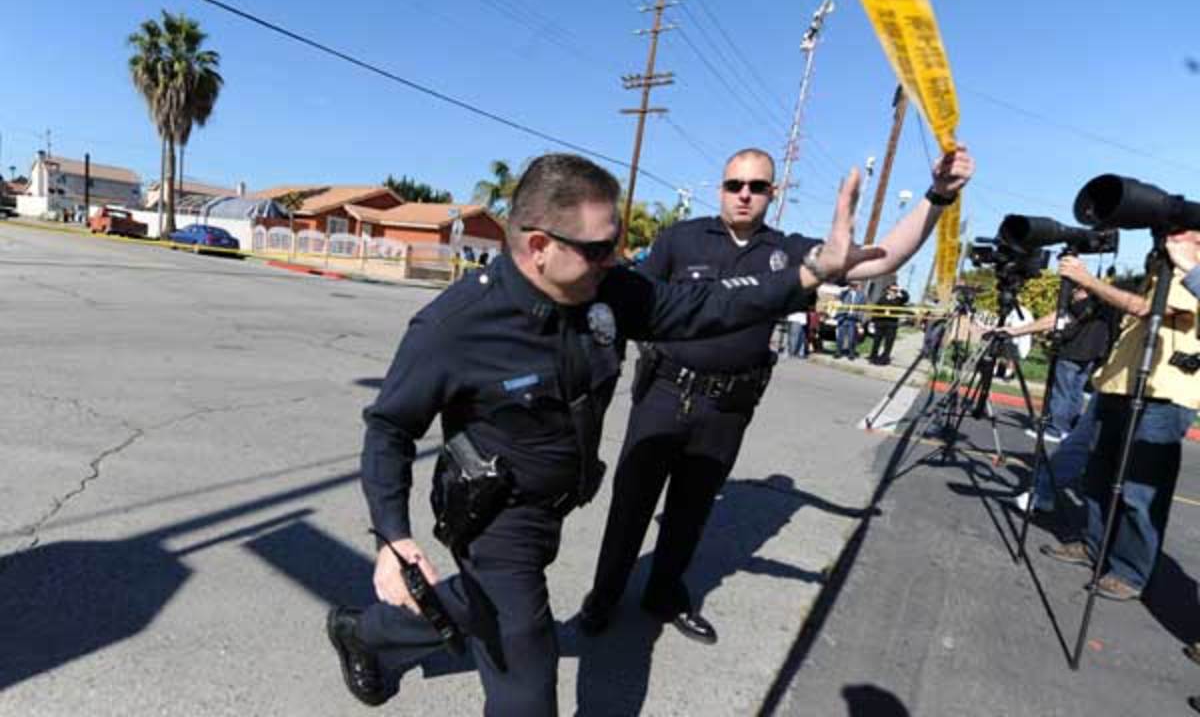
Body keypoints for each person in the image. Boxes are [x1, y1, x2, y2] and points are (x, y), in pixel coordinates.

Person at [325, 152, 879, 714]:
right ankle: (379, 635)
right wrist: (392, 539)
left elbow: (705, 305)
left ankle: (368, 635)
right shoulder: (457, 325)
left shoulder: (606, 290)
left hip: (555, 501)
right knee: (527, 684)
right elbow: (389, 427)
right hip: (496, 518)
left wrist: (811, 272)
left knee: (480, 604)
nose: (614, 258)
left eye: (613, 243)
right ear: (539, 248)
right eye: (597, 249)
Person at [578, 145, 974, 644]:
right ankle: (604, 596)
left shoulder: (788, 251)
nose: (744, 195)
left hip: (726, 407)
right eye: (734, 185)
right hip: (663, 392)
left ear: (774, 192)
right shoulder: (679, 238)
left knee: (690, 512)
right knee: (630, 506)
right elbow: (637, 303)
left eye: (757, 187)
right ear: (720, 188)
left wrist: (937, 196)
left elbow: (881, 258)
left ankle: (663, 594)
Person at [1041, 232, 1200, 601]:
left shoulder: (1188, 274)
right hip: (1117, 387)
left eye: (1178, 230)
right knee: (1097, 477)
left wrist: (1089, 281)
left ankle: (1130, 572)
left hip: (1162, 395)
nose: (1164, 237)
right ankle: (1093, 545)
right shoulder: (1157, 273)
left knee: (1139, 492)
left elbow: (1150, 310)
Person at [998, 273, 1120, 512]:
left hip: (1074, 353)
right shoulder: (1106, 306)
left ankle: (1056, 428)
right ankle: (1064, 431)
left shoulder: (1088, 303)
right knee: (1073, 396)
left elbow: (1057, 318)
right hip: (1095, 357)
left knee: (1062, 393)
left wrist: (1018, 331)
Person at [868, 283, 910, 365]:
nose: (894, 292)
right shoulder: (882, 299)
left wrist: (900, 289)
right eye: (892, 290)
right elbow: (875, 310)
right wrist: (873, 321)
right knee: (876, 341)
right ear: (888, 290)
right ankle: (873, 357)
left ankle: (884, 359)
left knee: (889, 343)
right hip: (880, 323)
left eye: (896, 290)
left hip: (892, 324)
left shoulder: (899, 300)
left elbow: (906, 297)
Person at [834, 281, 866, 359]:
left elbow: (861, 309)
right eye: (852, 285)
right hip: (843, 317)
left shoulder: (861, 295)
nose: (853, 287)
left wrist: (860, 321)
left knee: (852, 338)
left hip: (853, 319)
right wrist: (847, 287)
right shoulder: (845, 293)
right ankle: (838, 352)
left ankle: (851, 353)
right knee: (840, 337)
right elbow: (839, 296)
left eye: (855, 285)